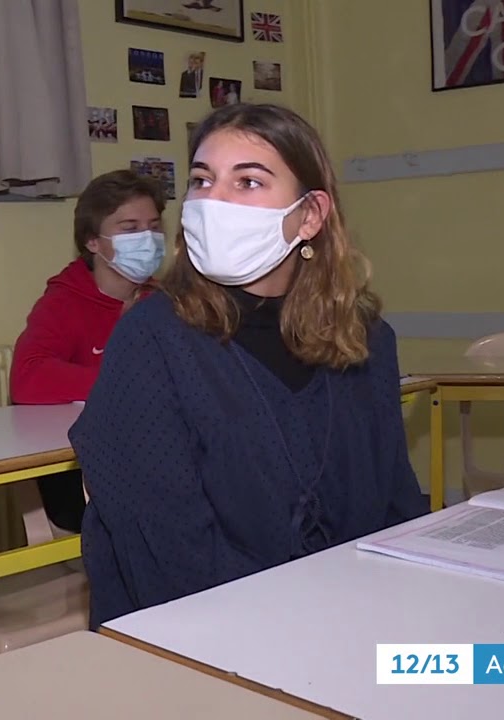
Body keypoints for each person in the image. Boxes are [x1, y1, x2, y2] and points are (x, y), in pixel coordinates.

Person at [69, 104, 428, 628]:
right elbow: (171, 557)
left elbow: (394, 501)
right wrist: (307, 622)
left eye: (249, 182)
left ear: (309, 216)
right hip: (206, 638)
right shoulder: (153, 340)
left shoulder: (366, 339)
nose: (214, 201)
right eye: (202, 180)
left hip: (354, 619)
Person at [10, 169, 167, 533]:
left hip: (153, 457)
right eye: (130, 228)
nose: (147, 238)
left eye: (154, 226)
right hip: (83, 475)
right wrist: (121, 381)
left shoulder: (165, 300)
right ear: (94, 241)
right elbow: (28, 379)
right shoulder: (63, 302)